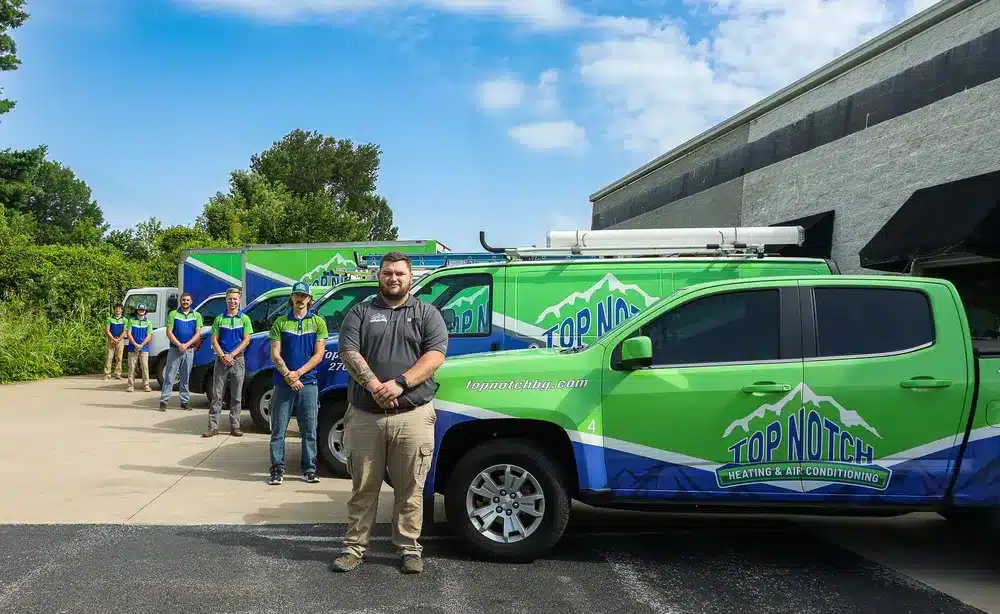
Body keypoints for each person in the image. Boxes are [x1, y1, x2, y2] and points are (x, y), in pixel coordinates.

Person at [331, 251, 448, 575]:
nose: (393, 278)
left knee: (410, 487)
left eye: (399, 273)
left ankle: (409, 549)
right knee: (363, 488)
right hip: (365, 416)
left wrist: (399, 383)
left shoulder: (427, 314)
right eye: (387, 273)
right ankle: (354, 549)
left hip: (413, 414)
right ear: (378, 276)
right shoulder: (360, 312)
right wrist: (374, 387)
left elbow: (435, 355)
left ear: (411, 278)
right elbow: (348, 351)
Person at [267, 281, 328, 486]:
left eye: (304, 296)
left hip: (308, 383)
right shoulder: (280, 322)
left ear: (310, 299)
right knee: (278, 429)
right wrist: (287, 374)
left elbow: (319, 354)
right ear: (292, 298)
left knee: (310, 429)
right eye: (297, 295)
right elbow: (275, 353)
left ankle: (309, 469)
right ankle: (276, 469)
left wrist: (298, 373)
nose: (300, 299)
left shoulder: (318, 322)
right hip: (283, 383)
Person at [203, 287, 252, 438]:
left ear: (239, 300)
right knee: (217, 395)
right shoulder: (219, 319)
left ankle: (235, 427)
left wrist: (232, 354)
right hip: (221, 361)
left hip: (238, 360)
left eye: (235, 299)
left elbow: (247, 340)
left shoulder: (244, 319)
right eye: (230, 299)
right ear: (226, 300)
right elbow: (214, 340)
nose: (232, 301)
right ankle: (213, 427)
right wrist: (223, 355)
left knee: (236, 396)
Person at [159, 293, 203, 411]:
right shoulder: (173, 314)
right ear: (180, 301)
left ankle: (184, 401)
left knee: (185, 377)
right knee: (169, 376)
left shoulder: (196, 315)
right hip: (175, 349)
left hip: (188, 351)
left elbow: (198, 334)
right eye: (183, 300)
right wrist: (179, 344)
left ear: (191, 302)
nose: (185, 302)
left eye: (188, 300)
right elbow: (169, 332)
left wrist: (186, 345)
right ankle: (164, 401)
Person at [126, 304, 153, 394]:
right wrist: (135, 344)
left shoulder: (148, 322)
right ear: (137, 310)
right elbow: (129, 334)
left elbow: (149, 336)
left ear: (145, 311)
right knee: (132, 367)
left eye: (143, 309)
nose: (141, 311)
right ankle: (130, 385)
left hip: (144, 348)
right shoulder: (131, 321)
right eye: (139, 309)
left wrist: (141, 345)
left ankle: (146, 385)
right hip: (132, 347)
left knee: (145, 367)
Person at [104, 304, 128, 380]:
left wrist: (119, 339)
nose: (118, 310)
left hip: (120, 340)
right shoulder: (109, 319)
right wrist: (113, 339)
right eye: (116, 309)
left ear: (122, 310)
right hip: (111, 339)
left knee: (119, 357)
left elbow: (125, 331)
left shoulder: (125, 320)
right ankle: (107, 374)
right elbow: (107, 330)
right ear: (114, 310)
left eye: (119, 309)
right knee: (109, 357)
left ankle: (118, 374)